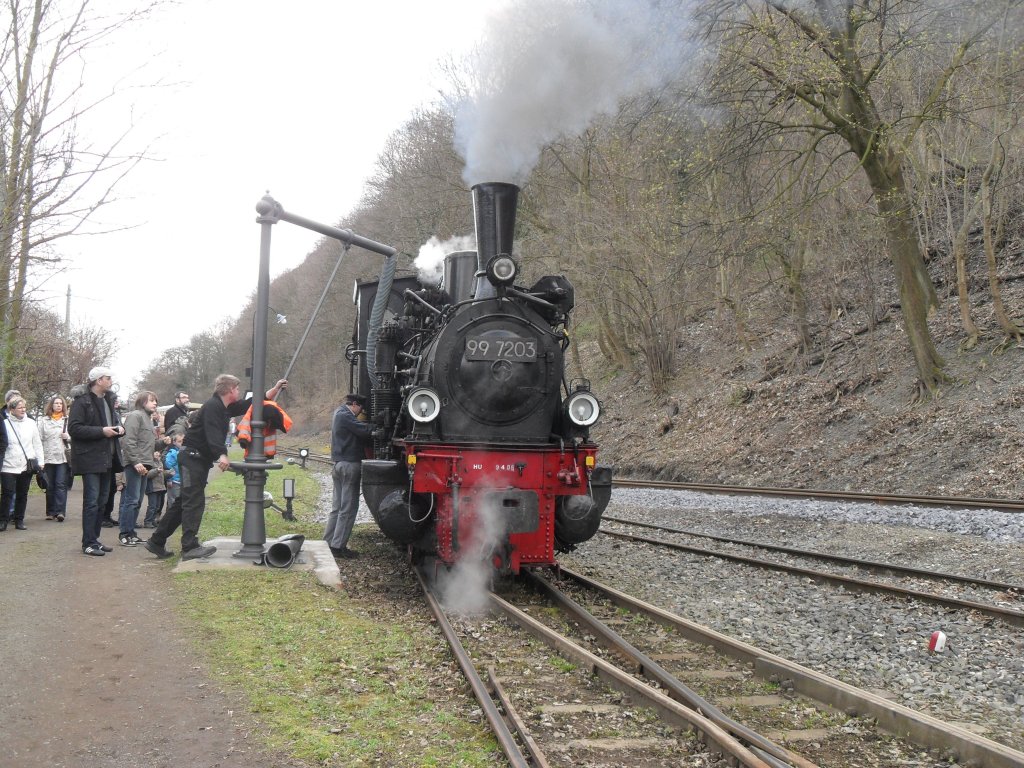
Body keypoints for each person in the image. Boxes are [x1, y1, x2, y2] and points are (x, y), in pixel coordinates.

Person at [144, 375, 287, 560]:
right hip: (192, 458)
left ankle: (156, 541)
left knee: (183, 503)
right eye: (236, 389)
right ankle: (189, 547)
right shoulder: (213, 407)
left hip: (196, 459)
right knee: (193, 503)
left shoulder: (224, 406)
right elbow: (212, 434)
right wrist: (222, 454)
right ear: (229, 390)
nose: (238, 392)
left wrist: (274, 389)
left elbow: (249, 403)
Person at [68, 366, 125, 557]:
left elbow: (111, 424)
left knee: (101, 501)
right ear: (98, 380)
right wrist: (102, 431)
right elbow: (74, 429)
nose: (110, 381)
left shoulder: (108, 400)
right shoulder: (81, 402)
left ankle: (95, 540)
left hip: (107, 458)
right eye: (108, 378)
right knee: (91, 502)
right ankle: (88, 543)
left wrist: (119, 428)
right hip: (90, 459)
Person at [324, 393, 375, 559]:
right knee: (348, 508)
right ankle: (338, 547)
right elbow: (364, 431)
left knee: (337, 507)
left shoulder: (338, 413)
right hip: (349, 465)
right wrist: (377, 425)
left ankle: (328, 543)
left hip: (339, 465)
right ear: (354, 404)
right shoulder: (345, 415)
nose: (360, 413)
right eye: (360, 409)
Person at [117, 391, 159, 546]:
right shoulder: (136, 416)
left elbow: (150, 445)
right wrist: (135, 462)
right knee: (132, 499)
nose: (155, 403)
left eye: (156, 401)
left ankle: (131, 533)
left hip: (146, 464)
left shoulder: (148, 419)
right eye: (152, 400)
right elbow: (128, 441)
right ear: (142, 402)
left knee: (138, 500)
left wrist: (165, 442)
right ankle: (124, 534)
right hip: (136, 464)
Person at [1, 397, 45, 531]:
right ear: (12, 409)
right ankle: (3, 520)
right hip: (8, 463)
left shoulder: (31, 423)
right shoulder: (5, 423)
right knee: (7, 493)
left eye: (24, 407)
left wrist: (41, 461)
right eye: (19, 408)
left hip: (27, 464)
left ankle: (19, 519)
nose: (23, 410)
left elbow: (37, 443)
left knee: (22, 493)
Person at [37, 395, 71, 522]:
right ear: (51, 405)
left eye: (60, 403)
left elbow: (75, 437)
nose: (58, 405)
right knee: (49, 485)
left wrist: (68, 437)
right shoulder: (44, 420)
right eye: (56, 403)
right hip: (48, 456)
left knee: (61, 484)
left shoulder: (67, 420)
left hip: (62, 457)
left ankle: (60, 511)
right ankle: (50, 512)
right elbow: (38, 439)